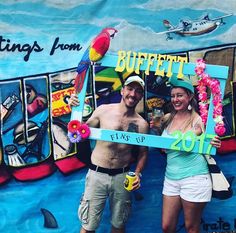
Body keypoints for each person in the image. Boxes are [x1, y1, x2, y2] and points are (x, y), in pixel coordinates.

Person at [69, 75, 149, 233]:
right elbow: (79, 132)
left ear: (141, 96)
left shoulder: (142, 124)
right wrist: (75, 110)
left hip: (123, 177)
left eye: (138, 91)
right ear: (122, 90)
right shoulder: (103, 111)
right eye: (130, 89)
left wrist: (138, 174)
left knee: (119, 225)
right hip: (97, 174)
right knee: (88, 225)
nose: (133, 94)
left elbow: (143, 153)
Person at [150, 75, 221, 233]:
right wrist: (156, 129)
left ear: (190, 97)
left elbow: (207, 139)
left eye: (180, 95)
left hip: (194, 178)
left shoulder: (198, 120)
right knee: (167, 227)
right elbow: (165, 149)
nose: (175, 99)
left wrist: (213, 140)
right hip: (171, 178)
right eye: (173, 96)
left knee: (191, 227)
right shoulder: (168, 118)